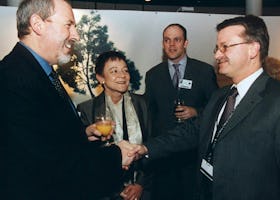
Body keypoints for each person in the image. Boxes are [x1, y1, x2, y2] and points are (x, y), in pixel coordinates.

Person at [131, 15, 280, 200]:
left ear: (253, 49)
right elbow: (191, 132)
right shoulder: (221, 95)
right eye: (217, 48)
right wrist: (144, 149)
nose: (217, 55)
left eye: (225, 47)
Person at [0, 1, 133, 199]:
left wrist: (82, 134)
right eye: (68, 25)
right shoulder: (13, 79)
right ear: (38, 24)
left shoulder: (41, 73)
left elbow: (47, 137)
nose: (76, 35)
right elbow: (47, 166)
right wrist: (115, 155)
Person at [144, 23, 218, 200]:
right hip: (163, 159)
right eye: (167, 40)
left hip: (193, 155)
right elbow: (149, 113)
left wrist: (197, 112)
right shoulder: (153, 75)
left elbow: (217, 108)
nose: (171, 45)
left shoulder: (204, 71)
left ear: (185, 43)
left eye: (176, 40)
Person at [77, 51, 152, 200]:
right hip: (104, 190)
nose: (122, 75)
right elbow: (82, 157)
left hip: (140, 190)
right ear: (100, 78)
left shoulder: (142, 104)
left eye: (125, 70)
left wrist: (141, 184)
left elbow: (151, 144)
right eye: (114, 71)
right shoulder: (87, 109)